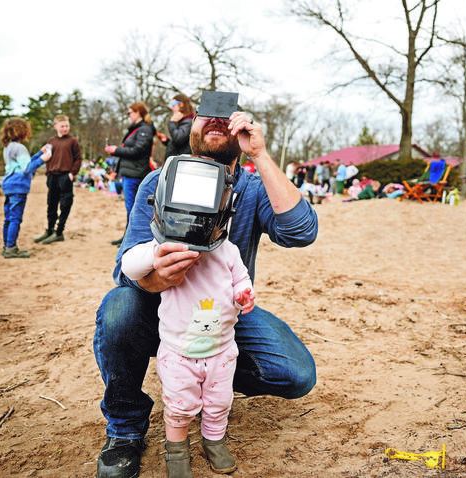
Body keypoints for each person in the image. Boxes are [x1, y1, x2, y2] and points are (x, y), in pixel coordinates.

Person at [93, 91, 319, 478]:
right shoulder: (158, 181)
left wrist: (260, 156)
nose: (214, 122)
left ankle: (205, 377)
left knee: (296, 373)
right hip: (161, 306)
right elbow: (124, 268)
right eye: (205, 116)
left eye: (225, 118)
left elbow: (301, 231)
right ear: (190, 128)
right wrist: (154, 278)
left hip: (222, 315)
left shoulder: (250, 187)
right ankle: (126, 429)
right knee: (118, 308)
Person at [121, 165, 255, 475]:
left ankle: (214, 440)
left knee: (219, 402)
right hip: (179, 352)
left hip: (222, 350)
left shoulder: (229, 251)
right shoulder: (167, 246)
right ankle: (177, 449)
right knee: (180, 407)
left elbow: (240, 277)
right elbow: (128, 265)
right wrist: (155, 258)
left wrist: (244, 293)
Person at [105, 102, 157, 246]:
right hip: (130, 173)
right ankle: (128, 237)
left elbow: (137, 150)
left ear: (138, 112)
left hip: (135, 174)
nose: (128, 116)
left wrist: (116, 150)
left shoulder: (144, 130)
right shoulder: (138, 129)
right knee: (131, 208)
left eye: (130, 113)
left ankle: (132, 239)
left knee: (134, 208)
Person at [0, 117, 52, 258]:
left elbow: (24, 163)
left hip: (8, 184)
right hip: (18, 186)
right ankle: (11, 248)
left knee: (9, 218)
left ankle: (7, 245)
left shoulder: (9, 147)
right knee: (16, 218)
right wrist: (43, 160)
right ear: (21, 131)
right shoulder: (20, 147)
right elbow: (27, 168)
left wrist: (40, 153)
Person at [34, 114, 82, 245]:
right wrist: (48, 171)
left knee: (65, 204)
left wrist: (72, 173)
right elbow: (47, 157)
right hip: (52, 176)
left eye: (67, 125)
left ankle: (59, 232)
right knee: (51, 204)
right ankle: (49, 230)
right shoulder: (51, 141)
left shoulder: (73, 141)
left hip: (66, 176)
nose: (65, 128)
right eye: (62, 126)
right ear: (56, 127)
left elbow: (78, 159)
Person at [156, 94, 195, 160]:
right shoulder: (184, 121)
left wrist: (172, 123)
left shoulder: (189, 121)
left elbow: (179, 139)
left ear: (181, 104)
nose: (172, 108)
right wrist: (167, 141)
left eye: (173, 105)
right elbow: (181, 145)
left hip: (181, 163)